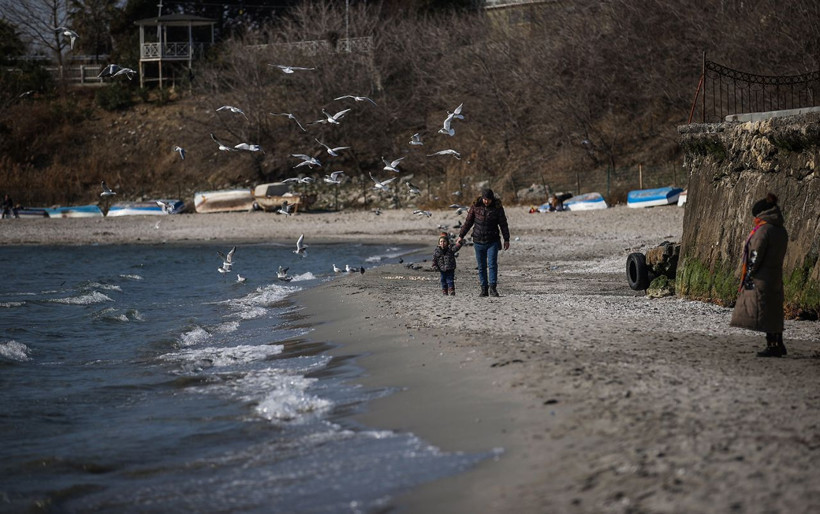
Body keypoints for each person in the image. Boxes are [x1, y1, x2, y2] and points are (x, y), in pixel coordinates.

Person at [730, 193, 789, 357]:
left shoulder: (763, 230)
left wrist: (749, 273)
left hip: (762, 277)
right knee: (775, 310)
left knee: (764, 310)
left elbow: (755, 254)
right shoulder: (780, 229)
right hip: (775, 275)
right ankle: (779, 342)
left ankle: (773, 346)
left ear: (761, 214)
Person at [456, 188, 511, 297]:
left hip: (493, 240)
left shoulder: (497, 207)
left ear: (492, 199)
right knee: (481, 266)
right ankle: (484, 289)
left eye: (489, 200)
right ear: (482, 198)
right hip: (478, 240)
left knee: (492, 265)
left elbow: (503, 224)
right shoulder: (475, 206)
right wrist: (461, 236)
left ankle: (493, 289)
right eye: (485, 199)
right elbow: (468, 222)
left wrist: (506, 239)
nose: (487, 201)